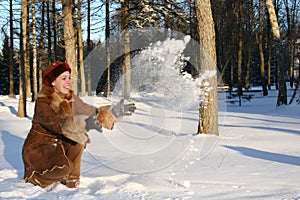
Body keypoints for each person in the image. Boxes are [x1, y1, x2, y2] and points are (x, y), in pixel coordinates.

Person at [22, 61, 135, 189]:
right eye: (63, 78)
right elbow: (58, 125)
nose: (68, 81)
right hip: (39, 148)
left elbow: (90, 111)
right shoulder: (43, 102)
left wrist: (113, 111)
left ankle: (71, 181)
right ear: (53, 81)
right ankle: (36, 179)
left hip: (58, 145)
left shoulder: (70, 97)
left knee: (78, 140)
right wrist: (86, 123)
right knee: (64, 168)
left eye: (69, 77)